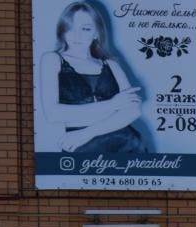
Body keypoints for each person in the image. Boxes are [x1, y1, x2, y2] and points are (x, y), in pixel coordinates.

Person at [39, 1, 148, 154]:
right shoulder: (52, 59)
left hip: (126, 143)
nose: (77, 35)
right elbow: (53, 114)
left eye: (85, 29)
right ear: (62, 30)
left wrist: (87, 133)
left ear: (96, 32)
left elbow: (134, 110)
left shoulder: (111, 64)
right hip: (80, 147)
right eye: (70, 28)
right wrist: (113, 104)